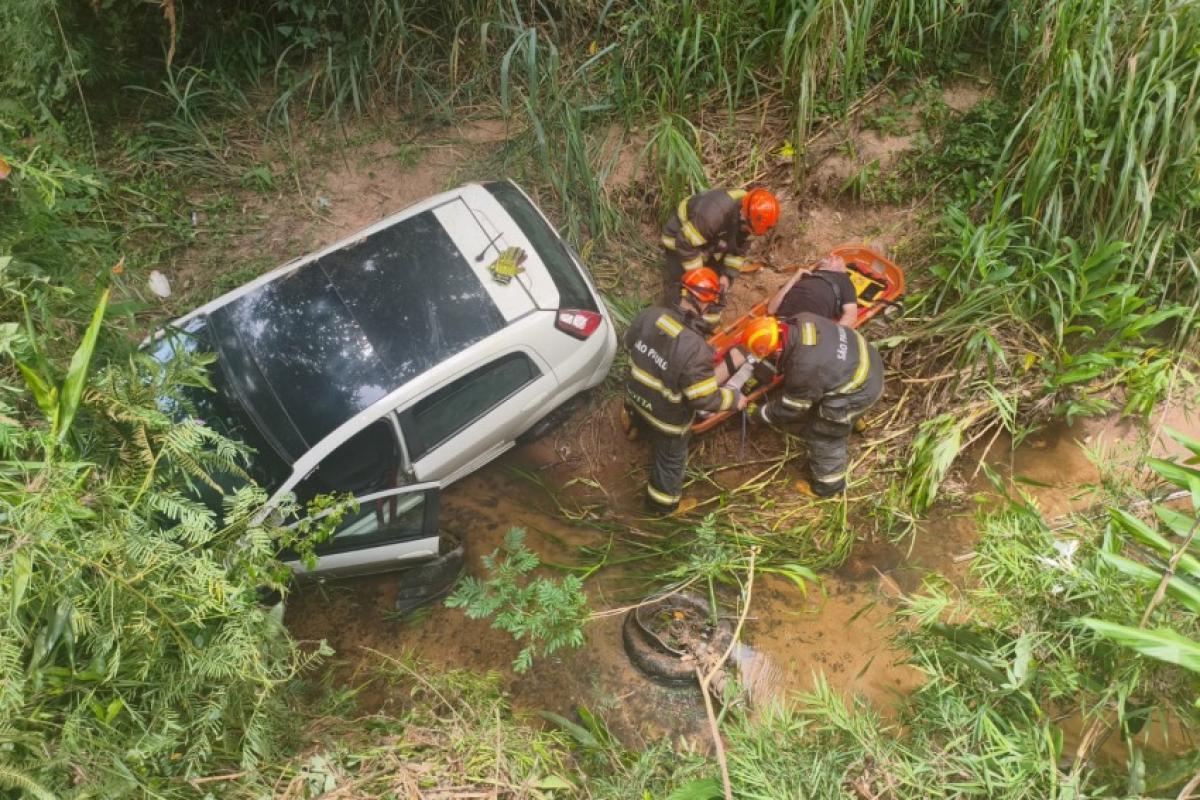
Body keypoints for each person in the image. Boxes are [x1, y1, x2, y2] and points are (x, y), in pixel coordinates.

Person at [622, 268, 749, 514]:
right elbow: (704, 399)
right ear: (703, 304)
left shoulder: (650, 315)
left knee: (643, 407)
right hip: (667, 419)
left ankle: (633, 425)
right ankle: (662, 506)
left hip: (635, 396)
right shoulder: (695, 349)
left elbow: (629, 343)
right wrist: (734, 399)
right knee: (670, 461)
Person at [743, 312, 883, 497]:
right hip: (867, 363)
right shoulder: (802, 319)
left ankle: (828, 487)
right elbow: (783, 358)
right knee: (832, 383)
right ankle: (857, 422)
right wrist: (758, 377)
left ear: (776, 351)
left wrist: (757, 414)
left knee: (824, 434)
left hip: (860, 391)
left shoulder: (804, 369)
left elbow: (790, 408)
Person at [660, 187, 781, 329]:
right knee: (686, 289)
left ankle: (703, 331)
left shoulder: (753, 223)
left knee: (716, 294)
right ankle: (669, 325)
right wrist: (701, 279)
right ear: (743, 213)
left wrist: (726, 277)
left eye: (752, 231)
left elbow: (737, 254)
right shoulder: (714, 214)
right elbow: (685, 242)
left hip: (711, 244)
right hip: (680, 241)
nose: (748, 232)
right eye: (747, 227)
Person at [767, 254, 858, 326]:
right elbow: (771, 309)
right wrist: (794, 278)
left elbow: (851, 315)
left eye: (836, 258)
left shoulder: (844, 280)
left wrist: (832, 335)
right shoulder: (806, 275)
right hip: (781, 323)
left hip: (806, 327)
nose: (830, 255)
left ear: (841, 268)